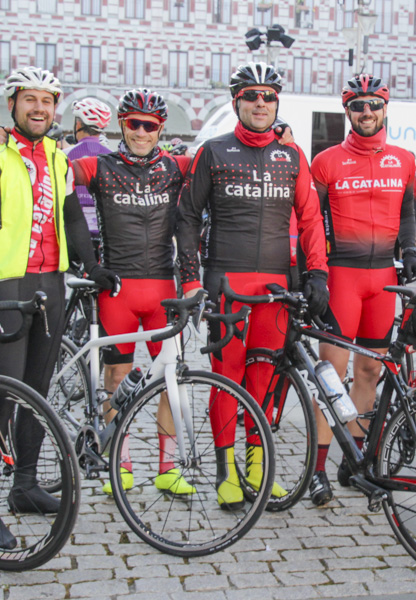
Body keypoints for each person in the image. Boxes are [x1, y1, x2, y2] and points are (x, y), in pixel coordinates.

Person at [0, 66, 114, 549]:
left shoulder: (58, 156)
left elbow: (72, 215)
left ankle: (26, 486)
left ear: (57, 109)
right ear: (12, 104)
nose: (40, 108)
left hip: (51, 287)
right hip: (5, 286)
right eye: (30, 99)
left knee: (38, 390)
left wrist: (92, 266)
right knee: (1, 394)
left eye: (48, 100)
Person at [175, 62, 329, 509]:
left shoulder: (292, 155)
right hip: (228, 283)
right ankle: (226, 475)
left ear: (276, 103)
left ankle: (257, 471)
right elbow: (186, 216)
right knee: (228, 379)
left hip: (275, 287)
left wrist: (316, 272)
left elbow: (310, 218)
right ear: (236, 102)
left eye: (267, 96)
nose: (260, 103)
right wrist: (189, 278)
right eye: (250, 96)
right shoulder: (213, 151)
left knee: (263, 379)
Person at [72, 89, 195, 497]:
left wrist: (282, 139)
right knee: (117, 377)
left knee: (170, 381)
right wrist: (88, 262)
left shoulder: (177, 166)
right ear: (120, 125)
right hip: (118, 289)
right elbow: (50, 171)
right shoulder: (98, 166)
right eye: (134, 124)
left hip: (163, 287)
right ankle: (118, 462)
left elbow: (224, 165)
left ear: (161, 129)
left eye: (151, 126)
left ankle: (168, 468)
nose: (142, 133)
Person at [306, 74, 416, 506]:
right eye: (358, 106)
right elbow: (311, 224)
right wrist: (313, 273)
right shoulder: (326, 161)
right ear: (347, 112)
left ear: (385, 108)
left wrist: (409, 250)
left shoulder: (404, 159)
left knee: (370, 371)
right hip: (343, 279)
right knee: (330, 377)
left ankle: (354, 461)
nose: (367, 112)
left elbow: (407, 212)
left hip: (383, 281)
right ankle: (316, 469)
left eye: (373, 104)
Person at [66, 97, 114, 254]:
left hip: (71, 234)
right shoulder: (112, 157)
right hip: (105, 234)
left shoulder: (65, 155)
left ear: (78, 124)